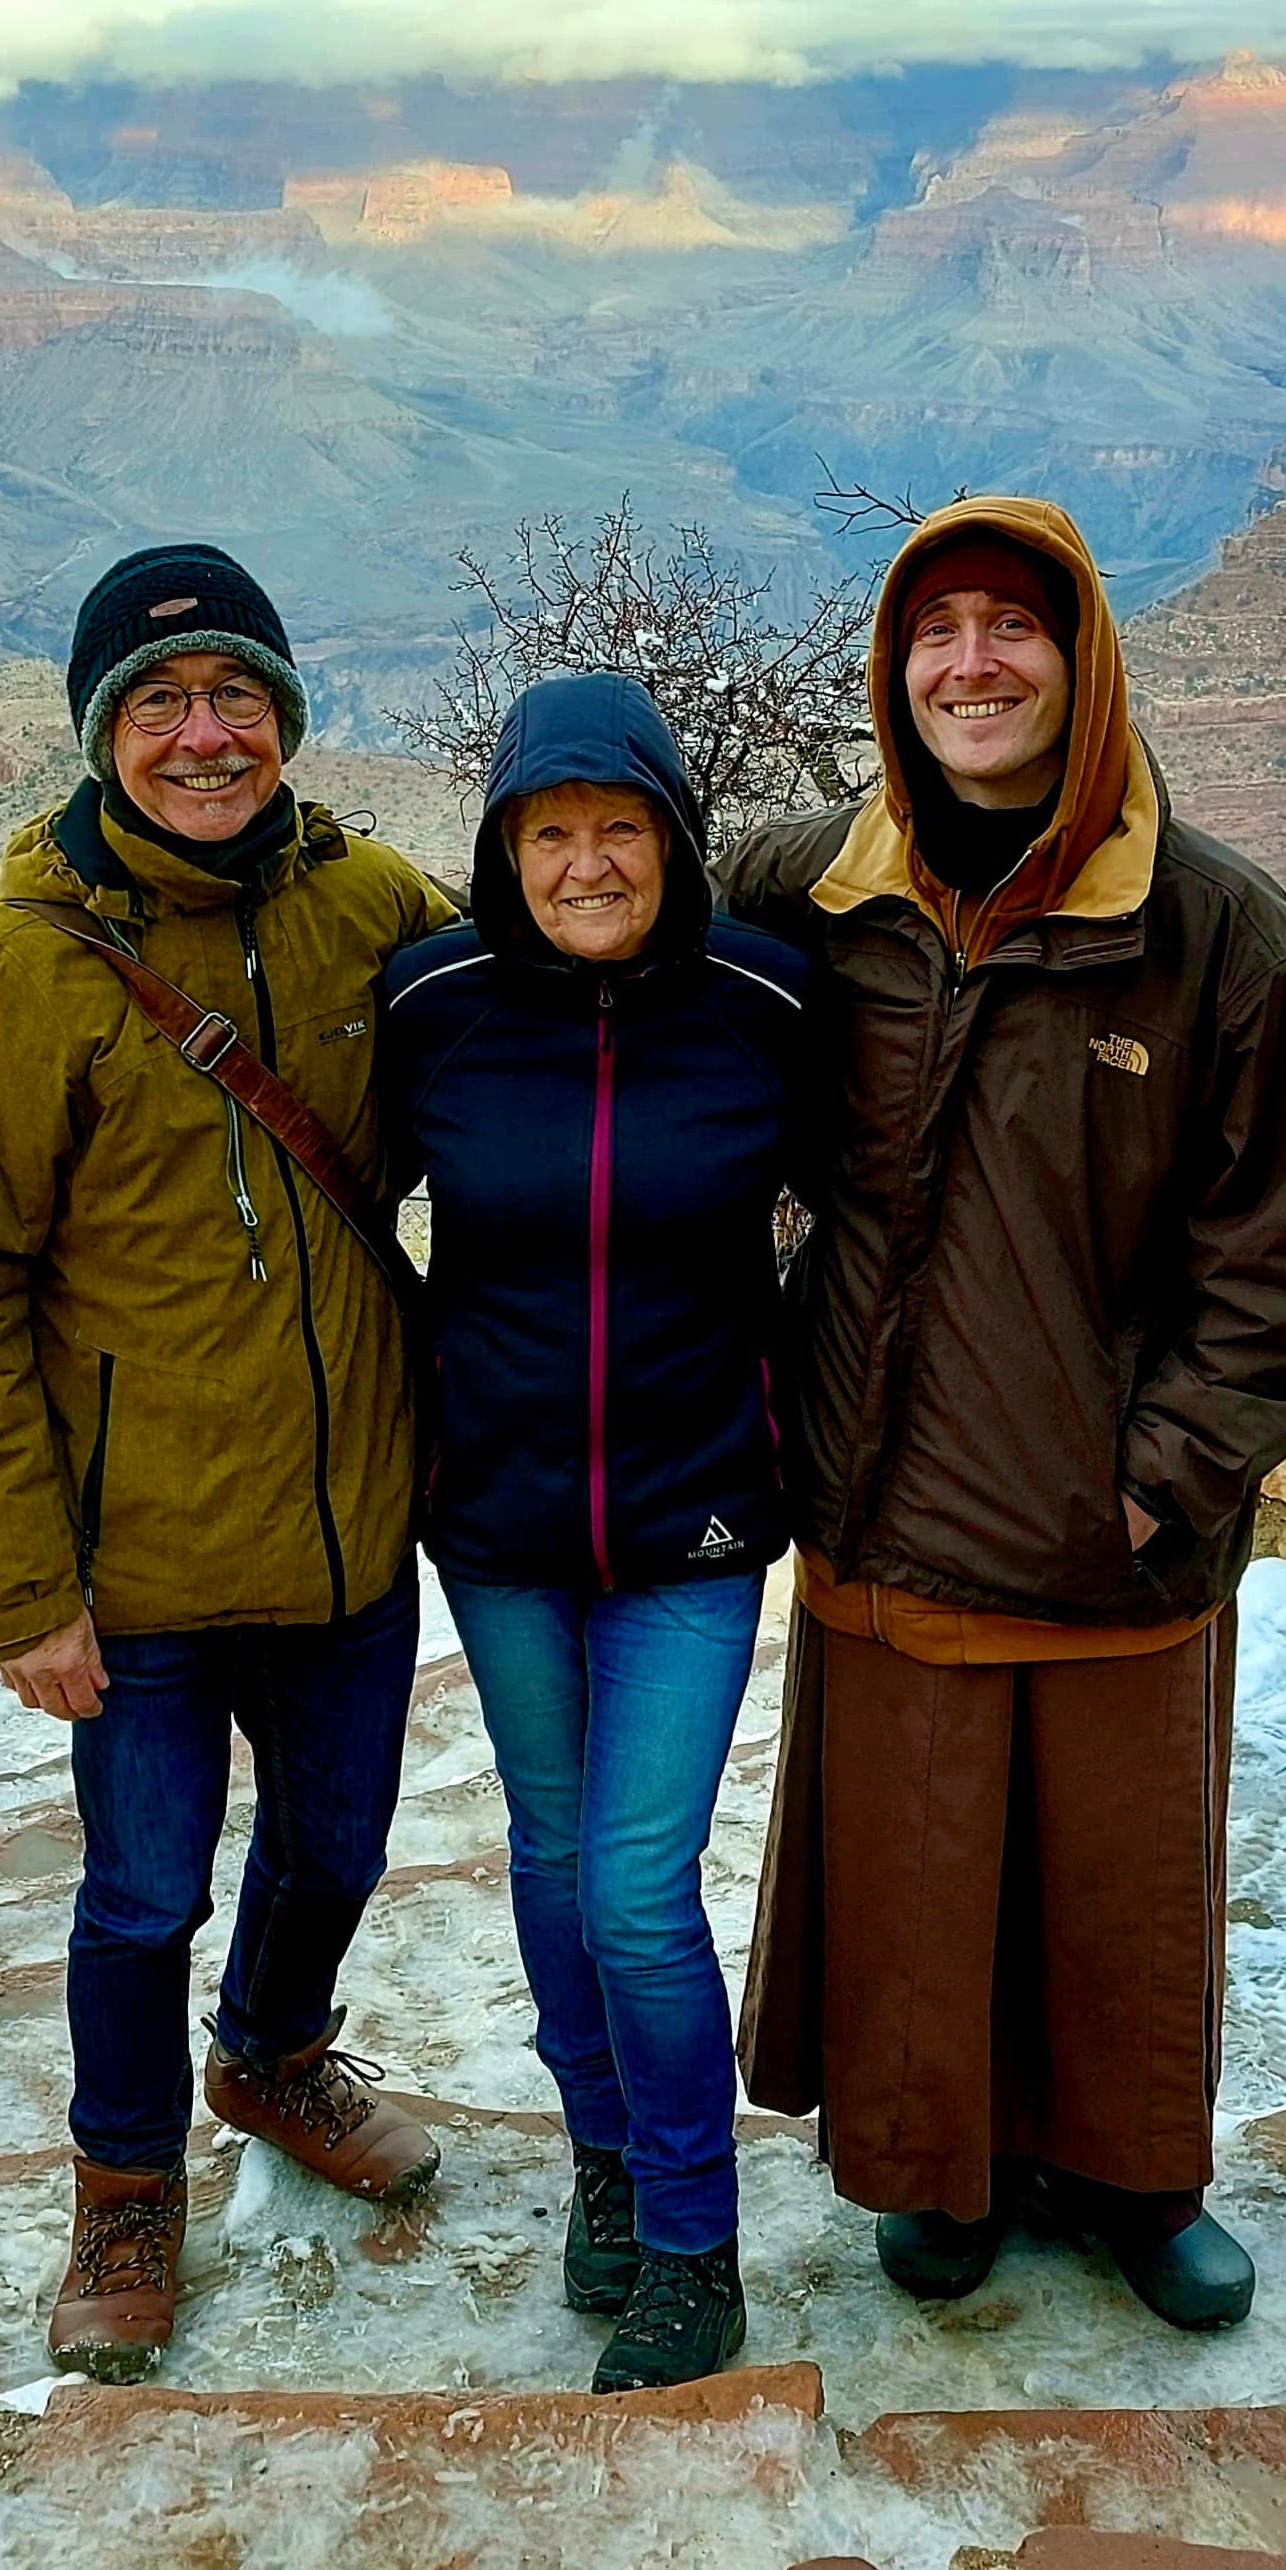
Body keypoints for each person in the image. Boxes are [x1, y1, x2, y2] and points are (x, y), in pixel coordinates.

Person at [720, 496, 1286, 2329]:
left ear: (1082, 664)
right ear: (892, 672)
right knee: (922, 1865)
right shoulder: (819, 897)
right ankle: (942, 2172)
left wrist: (1163, 1478)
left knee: (1118, 1876)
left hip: (1108, 1524)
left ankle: (1140, 2181)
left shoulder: (1214, 934)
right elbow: (606, 923)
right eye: (937, 635)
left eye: (1014, 628)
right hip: (883, 1487)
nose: (971, 665)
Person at [0, 541, 461, 2383]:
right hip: (132, 1569)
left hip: (351, 1527)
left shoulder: (369, 902)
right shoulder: (17, 973)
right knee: (141, 1896)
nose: (203, 737)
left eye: (236, 699)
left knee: (341, 1844)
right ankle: (122, 2186)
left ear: (286, 720)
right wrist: (23, 1592)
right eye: (160, 705)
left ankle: (276, 2054)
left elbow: (564, 986)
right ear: (102, 735)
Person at [380, 677, 808, 2392]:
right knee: (551, 1862)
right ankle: (605, 2166)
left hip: (696, 1522)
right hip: (498, 1523)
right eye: (547, 833)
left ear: (674, 835)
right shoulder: (436, 1007)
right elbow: (346, 1220)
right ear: (503, 847)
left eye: (616, 826)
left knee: (638, 1888)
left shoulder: (769, 1005)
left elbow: (867, 1229)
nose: (584, 863)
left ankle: (697, 2244)